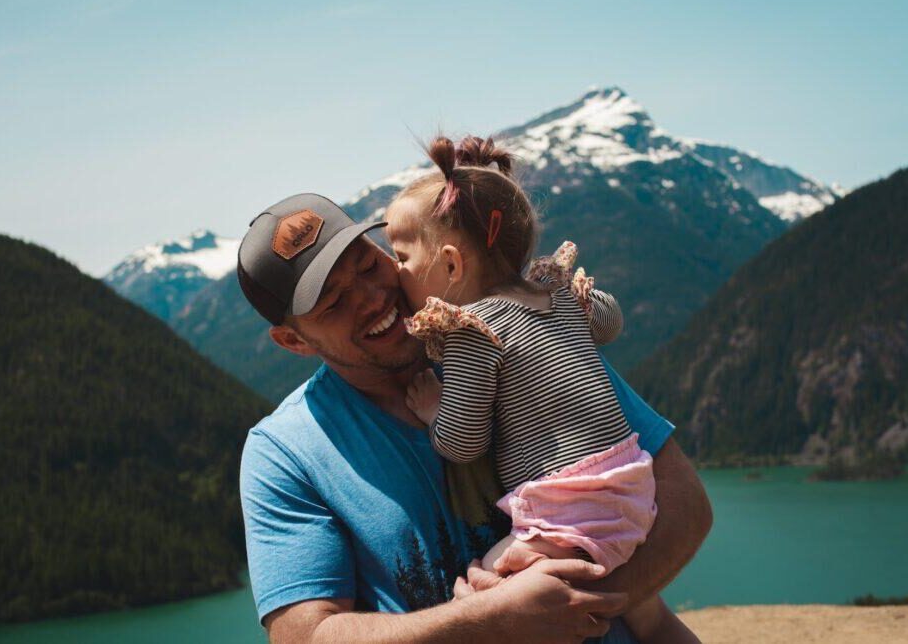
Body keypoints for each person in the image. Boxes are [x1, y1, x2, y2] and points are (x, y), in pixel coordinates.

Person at [237, 192, 712, 643]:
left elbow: (686, 505)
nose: (371, 297)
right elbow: (305, 635)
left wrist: (580, 604)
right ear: (293, 341)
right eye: (334, 302)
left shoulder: (514, 327)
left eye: (367, 264)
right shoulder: (283, 453)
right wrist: (494, 624)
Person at [385, 135, 698, 643]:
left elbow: (464, 443)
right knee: (650, 617)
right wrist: (581, 303)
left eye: (401, 256)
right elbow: (609, 322)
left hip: (568, 507)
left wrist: (433, 411)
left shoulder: (473, 330)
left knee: (489, 596)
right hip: (632, 484)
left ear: (449, 264)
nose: (394, 271)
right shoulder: (553, 291)